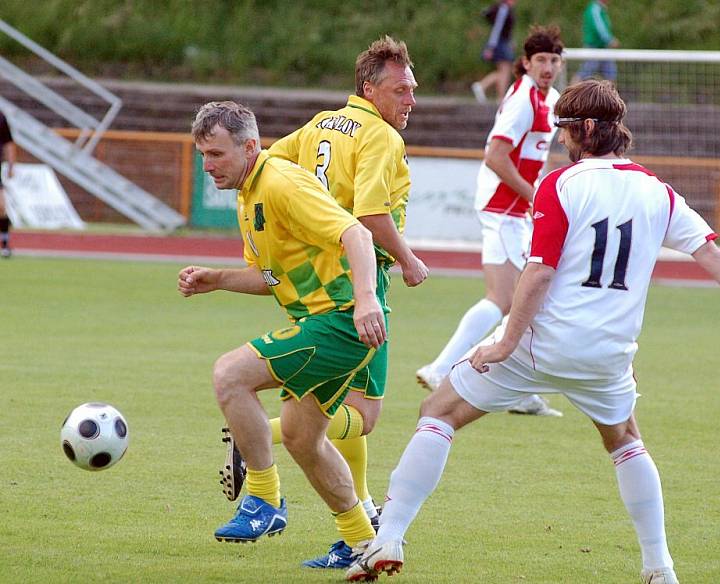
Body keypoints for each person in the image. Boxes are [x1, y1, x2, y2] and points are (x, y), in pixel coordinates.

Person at [345, 80, 720, 584]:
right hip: (609, 355)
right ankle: (660, 568)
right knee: (626, 440)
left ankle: (389, 537)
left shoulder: (560, 184)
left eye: (563, 130)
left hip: (543, 345)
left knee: (438, 411)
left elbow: (538, 273)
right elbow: (711, 255)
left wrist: (505, 342)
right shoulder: (658, 190)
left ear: (585, 129)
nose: (559, 140)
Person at [219, 36, 428, 570]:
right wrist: (406, 259)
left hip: (317, 277)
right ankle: (265, 453)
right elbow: (371, 218)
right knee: (360, 414)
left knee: (331, 419)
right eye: (401, 89)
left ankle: (355, 532)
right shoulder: (382, 137)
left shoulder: (322, 123)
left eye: (413, 89)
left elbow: (269, 160)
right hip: (357, 284)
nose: (410, 99)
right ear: (369, 88)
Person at [179, 101, 387, 557]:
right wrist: (218, 280)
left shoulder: (281, 182)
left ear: (250, 146)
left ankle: (264, 499)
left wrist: (368, 299)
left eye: (215, 154)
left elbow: (358, 234)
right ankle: (361, 542)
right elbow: (271, 277)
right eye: (202, 155)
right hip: (325, 323)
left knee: (229, 374)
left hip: (340, 321)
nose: (207, 165)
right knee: (301, 438)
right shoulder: (247, 193)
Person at [417, 25, 565, 417]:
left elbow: (536, 155)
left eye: (554, 60)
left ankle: (518, 389)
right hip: (504, 208)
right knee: (505, 299)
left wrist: (544, 187)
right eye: (541, 60)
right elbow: (496, 156)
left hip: (516, 210)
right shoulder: (522, 100)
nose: (548, 67)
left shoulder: (549, 99)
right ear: (526, 63)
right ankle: (443, 368)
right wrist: (535, 195)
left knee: (526, 301)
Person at [471, 0, 516, 104]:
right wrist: (490, 47)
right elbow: (497, 28)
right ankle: (485, 87)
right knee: (504, 70)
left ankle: (498, 95)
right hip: (499, 43)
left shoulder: (507, 9)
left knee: (504, 71)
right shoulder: (503, 9)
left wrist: (510, 41)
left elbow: (507, 29)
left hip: (504, 42)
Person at [573, 0, 620, 83]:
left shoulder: (601, 9)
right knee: (584, 74)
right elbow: (599, 28)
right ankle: (569, 94)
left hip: (603, 48)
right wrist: (609, 40)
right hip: (593, 47)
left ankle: (611, 95)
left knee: (611, 75)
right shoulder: (595, 9)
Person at [0, 111, 17, 258]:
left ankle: (4, 242)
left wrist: (11, 165)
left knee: (1, 207)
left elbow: (8, 142)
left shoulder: (1, 116)